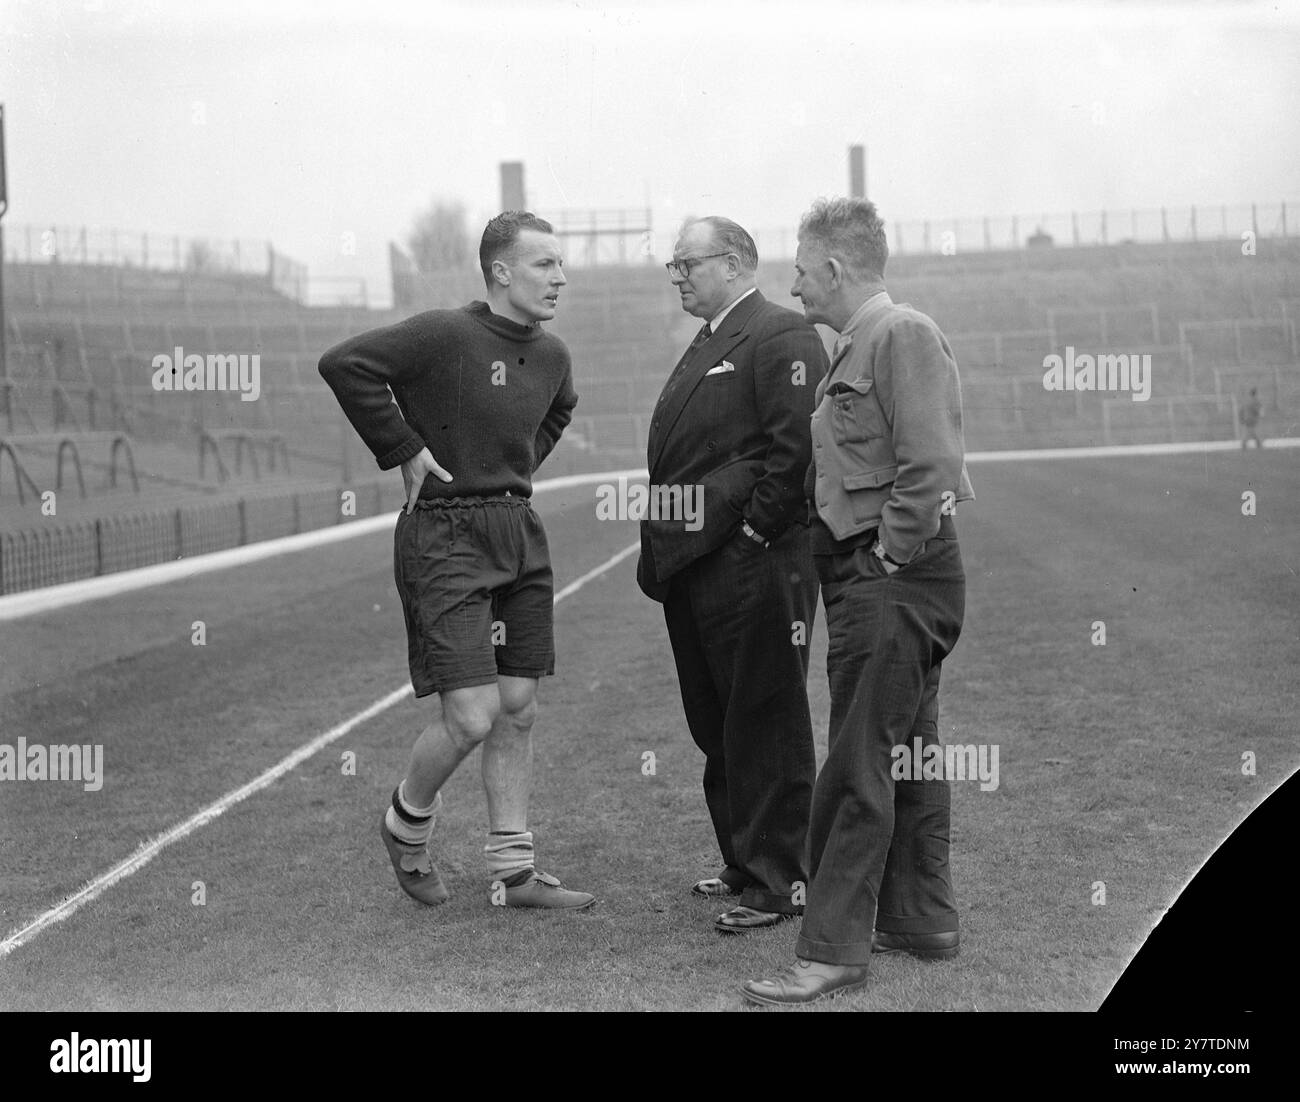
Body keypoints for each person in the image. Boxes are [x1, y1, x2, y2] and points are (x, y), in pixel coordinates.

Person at [319, 211, 594, 912]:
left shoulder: (554, 355)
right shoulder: (445, 334)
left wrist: (513, 465)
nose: (560, 277)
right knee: (472, 714)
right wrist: (406, 449)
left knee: (519, 708)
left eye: (562, 265)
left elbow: (558, 409)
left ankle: (514, 871)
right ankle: (405, 824)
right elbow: (346, 365)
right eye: (544, 265)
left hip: (518, 531)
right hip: (444, 535)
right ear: (501, 272)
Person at [743, 197, 975, 1005]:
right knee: (907, 750)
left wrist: (884, 558)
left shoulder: (898, 332)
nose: (795, 284)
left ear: (836, 269)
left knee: (853, 764)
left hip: (895, 576)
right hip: (885, 575)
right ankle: (919, 920)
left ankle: (832, 949)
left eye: (802, 270)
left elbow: (931, 463)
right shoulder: (861, 342)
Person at [637, 216, 828, 933]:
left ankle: (782, 882)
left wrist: (755, 530)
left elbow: (796, 449)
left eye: (687, 263)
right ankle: (746, 861)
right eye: (673, 265)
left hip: (755, 563)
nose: (677, 275)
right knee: (717, 720)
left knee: (765, 718)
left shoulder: (778, 333)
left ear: (736, 261)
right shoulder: (713, 337)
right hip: (697, 563)